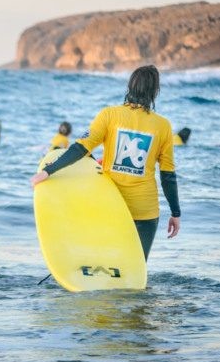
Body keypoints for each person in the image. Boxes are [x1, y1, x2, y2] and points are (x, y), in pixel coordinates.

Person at [30, 65, 181, 260]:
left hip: (111, 204)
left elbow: (80, 148)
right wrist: (175, 213)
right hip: (145, 212)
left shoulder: (109, 115)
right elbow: (168, 175)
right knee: (134, 271)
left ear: (130, 87)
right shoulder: (163, 126)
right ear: (155, 91)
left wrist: (48, 171)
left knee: (106, 265)